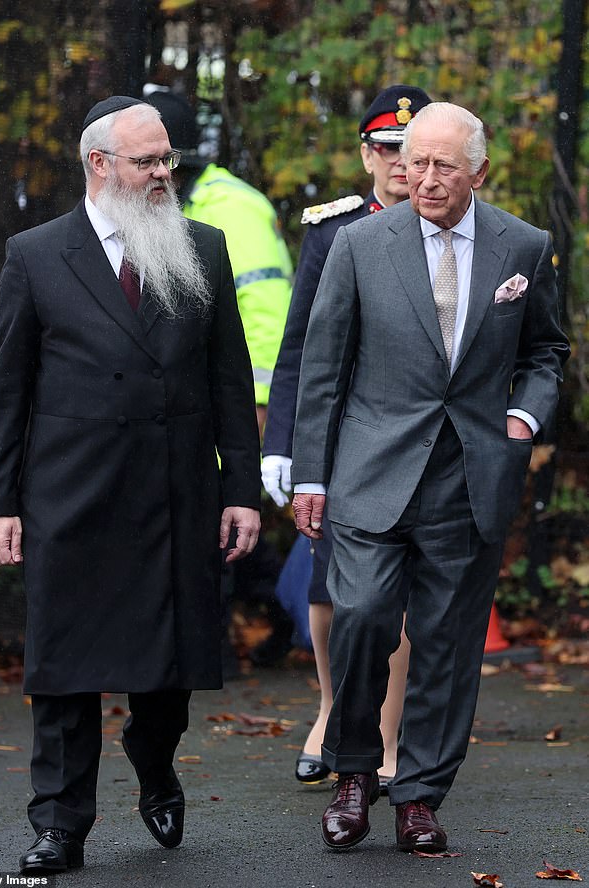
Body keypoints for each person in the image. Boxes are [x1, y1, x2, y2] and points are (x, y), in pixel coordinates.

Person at [0, 96, 261, 874]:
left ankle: (153, 754)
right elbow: (9, 391)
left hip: (175, 492)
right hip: (71, 493)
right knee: (63, 669)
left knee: (166, 670)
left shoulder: (202, 246)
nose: (165, 173)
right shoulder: (36, 253)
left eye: (167, 158)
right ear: (100, 164)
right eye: (148, 161)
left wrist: (241, 487)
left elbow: (230, 379)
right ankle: (60, 825)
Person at [291, 102, 569, 853]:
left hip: (471, 475)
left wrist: (522, 420)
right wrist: (309, 477)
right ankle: (353, 774)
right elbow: (322, 368)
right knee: (363, 620)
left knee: (448, 643)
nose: (427, 178)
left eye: (445, 165)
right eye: (416, 162)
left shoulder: (523, 244)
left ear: (480, 171)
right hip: (370, 472)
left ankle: (419, 795)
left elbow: (546, 353)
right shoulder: (358, 243)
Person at [261, 85, 432, 786]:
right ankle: (333, 710)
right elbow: (300, 344)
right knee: (330, 586)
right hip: (341, 436)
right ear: (366, 154)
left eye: (413, 151)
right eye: (388, 149)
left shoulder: (451, 224)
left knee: (397, 591)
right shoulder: (332, 231)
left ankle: (386, 732)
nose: (400, 163)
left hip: (414, 433)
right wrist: (282, 442)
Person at [147, 89, 295, 666]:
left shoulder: (228, 207)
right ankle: (265, 624)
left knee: (223, 518)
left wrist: (259, 403)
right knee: (216, 518)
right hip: (204, 397)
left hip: (237, 398)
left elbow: (264, 308)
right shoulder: (195, 203)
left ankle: (246, 633)